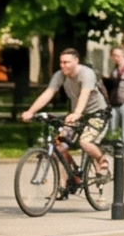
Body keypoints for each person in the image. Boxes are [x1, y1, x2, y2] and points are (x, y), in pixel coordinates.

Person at [17, 48, 112, 181]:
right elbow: (49, 92)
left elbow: (85, 94)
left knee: (85, 142)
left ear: (76, 61)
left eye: (67, 62)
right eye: (61, 62)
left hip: (97, 114)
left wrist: (77, 113)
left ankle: (102, 160)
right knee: (59, 145)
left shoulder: (86, 74)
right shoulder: (60, 75)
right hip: (77, 114)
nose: (63, 66)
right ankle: (69, 178)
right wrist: (31, 111)